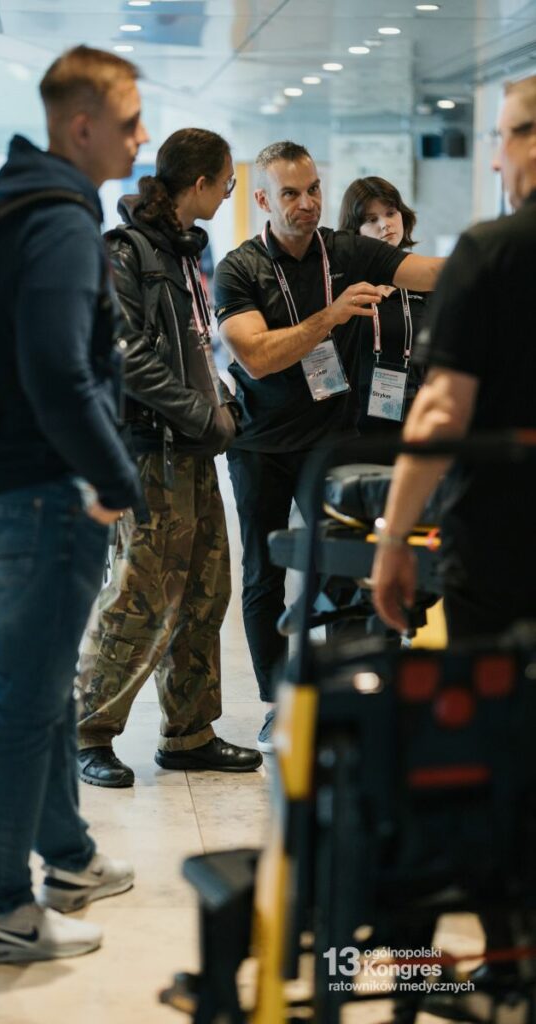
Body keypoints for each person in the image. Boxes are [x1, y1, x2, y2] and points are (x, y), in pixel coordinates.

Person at [0, 45, 148, 965]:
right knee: (20, 709)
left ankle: (66, 855)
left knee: (37, 689)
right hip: (32, 500)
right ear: (82, 127)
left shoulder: (9, 202)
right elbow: (59, 373)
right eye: (130, 122)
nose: (141, 137)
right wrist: (119, 481)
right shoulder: (60, 223)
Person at [213, 140, 444, 751]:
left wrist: (502, 250)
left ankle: (352, 696)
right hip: (263, 443)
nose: (308, 203)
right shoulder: (239, 269)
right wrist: (332, 316)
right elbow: (257, 357)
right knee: (266, 574)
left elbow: (431, 273)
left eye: (313, 189)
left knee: (347, 563)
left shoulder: (346, 251)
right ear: (264, 200)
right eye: (291, 193)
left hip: (334, 439)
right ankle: (278, 705)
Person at [75, 128, 262, 788]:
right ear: (199, 183)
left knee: (206, 592)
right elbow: (125, 356)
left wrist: (222, 402)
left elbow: (192, 348)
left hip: (192, 451)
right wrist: (201, 413)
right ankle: (86, 730)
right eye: (227, 181)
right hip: (150, 452)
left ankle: (188, 733)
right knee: (139, 595)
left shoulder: (182, 253)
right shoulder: (126, 252)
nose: (230, 191)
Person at [372, 75, 536, 642]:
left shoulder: (490, 252)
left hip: (508, 548)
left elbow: (442, 412)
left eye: (501, 138)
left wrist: (394, 537)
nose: (494, 161)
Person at [338, 176, 427, 437]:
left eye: (390, 213)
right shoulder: (342, 284)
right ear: (355, 231)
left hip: (414, 415)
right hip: (354, 421)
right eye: (371, 219)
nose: (385, 224)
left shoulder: (424, 279)